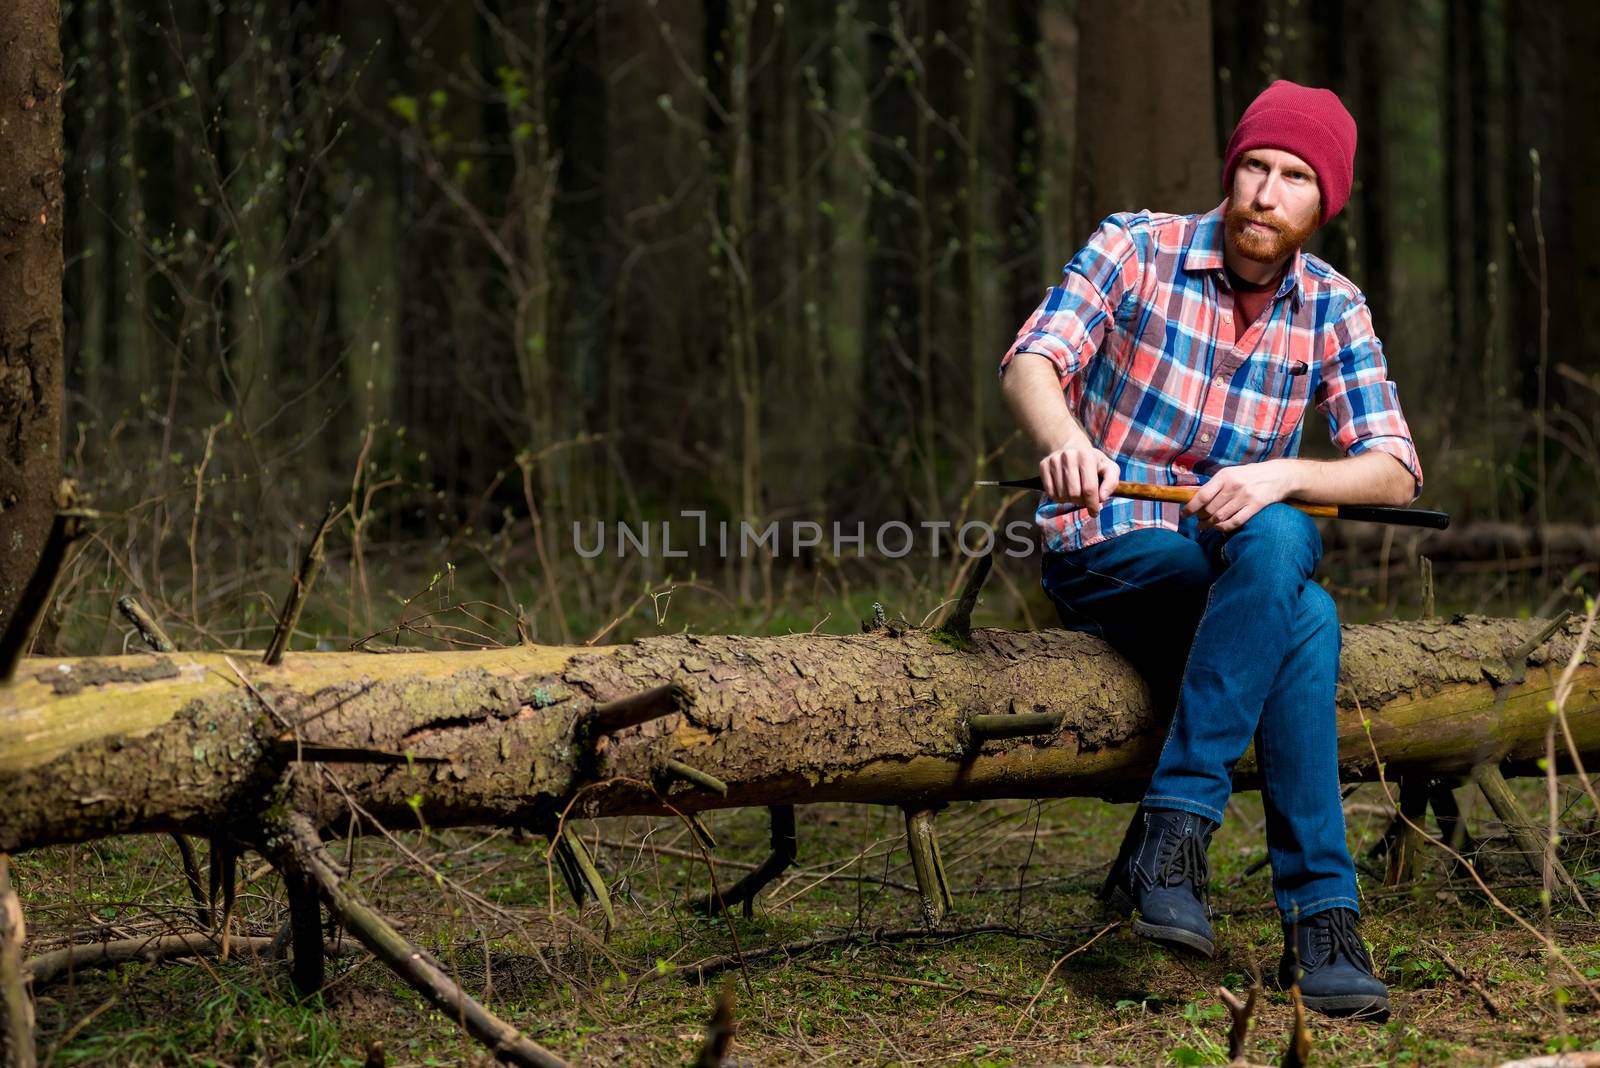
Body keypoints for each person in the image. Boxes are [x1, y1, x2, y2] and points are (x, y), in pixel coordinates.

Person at [998, 80, 1421, 1020]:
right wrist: (1062, 438)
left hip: (1236, 562)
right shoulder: (1136, 246)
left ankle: (1174, 839)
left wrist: (1281, 475)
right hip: (1111, 545)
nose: (1266, 193)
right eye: (1255, 168)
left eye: (1295, 178)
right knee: (1303, 615)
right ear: (1231, 174)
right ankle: (1320, 920)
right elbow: (1034, 357)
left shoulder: (1332, 307)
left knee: (1281, 538)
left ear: (1325, 203)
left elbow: (1394, 468)